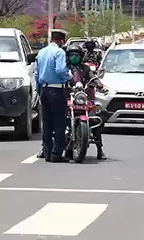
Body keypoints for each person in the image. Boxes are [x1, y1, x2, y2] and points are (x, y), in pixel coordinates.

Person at [35, 29, 72, 162]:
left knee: (47, 123)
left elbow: (36, 74)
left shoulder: (41, 52)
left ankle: (47, 152)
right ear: (61, 41)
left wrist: (39, 92)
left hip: (44, 90)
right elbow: (61, 70)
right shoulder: (59, 52)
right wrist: (68, 76)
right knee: (59, 124)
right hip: (57, 91)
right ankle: (56, 154)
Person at [66, 44, 106, 160]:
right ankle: (46, 147)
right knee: (56, 119)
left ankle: (100, 149)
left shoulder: (86, 68)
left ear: (81, 56)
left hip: (84, 99)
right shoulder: (64, 68)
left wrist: (98, 84)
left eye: (77, 55)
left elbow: (92, 77)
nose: (74, 57)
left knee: (97, 119)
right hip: (68, 98)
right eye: (72, 55)